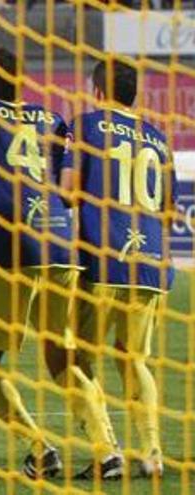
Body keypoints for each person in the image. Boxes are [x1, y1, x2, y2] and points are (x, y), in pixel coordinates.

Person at [0, 47, 121, 479]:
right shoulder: (52, 120)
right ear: (22, 83)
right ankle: (107, 450)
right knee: (62, 355)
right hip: (60, 245)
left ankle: (39, 447)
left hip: (12, 248)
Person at [59, 56, 178, 479]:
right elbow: (167, 210)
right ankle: (152, 452)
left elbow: (69, 193)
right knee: (134, 360)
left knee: (70, 358)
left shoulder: (86, 125)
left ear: (96, 91)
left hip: (103, 261)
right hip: (152, 265)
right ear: (135, 95)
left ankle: (106, 449)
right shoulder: (159, 139)